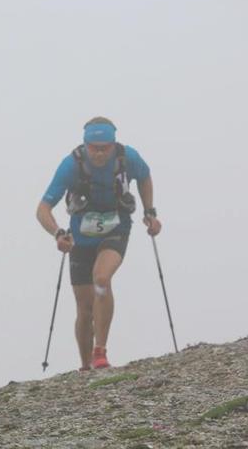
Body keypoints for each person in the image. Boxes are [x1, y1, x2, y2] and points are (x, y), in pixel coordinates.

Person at [36, 116, 161, 371]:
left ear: (114, 144)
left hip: (116, 229)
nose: (101, 153)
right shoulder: (70, 165)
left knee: (101, 279)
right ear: (85, 145)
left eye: (106, 147)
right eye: (95, 148)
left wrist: (150, 212)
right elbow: (43, 209)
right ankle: (85, 366)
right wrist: (58, 233)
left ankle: (100, 352)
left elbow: (145, 177)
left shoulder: (128, 158)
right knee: (84, 309)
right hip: (80, 238)